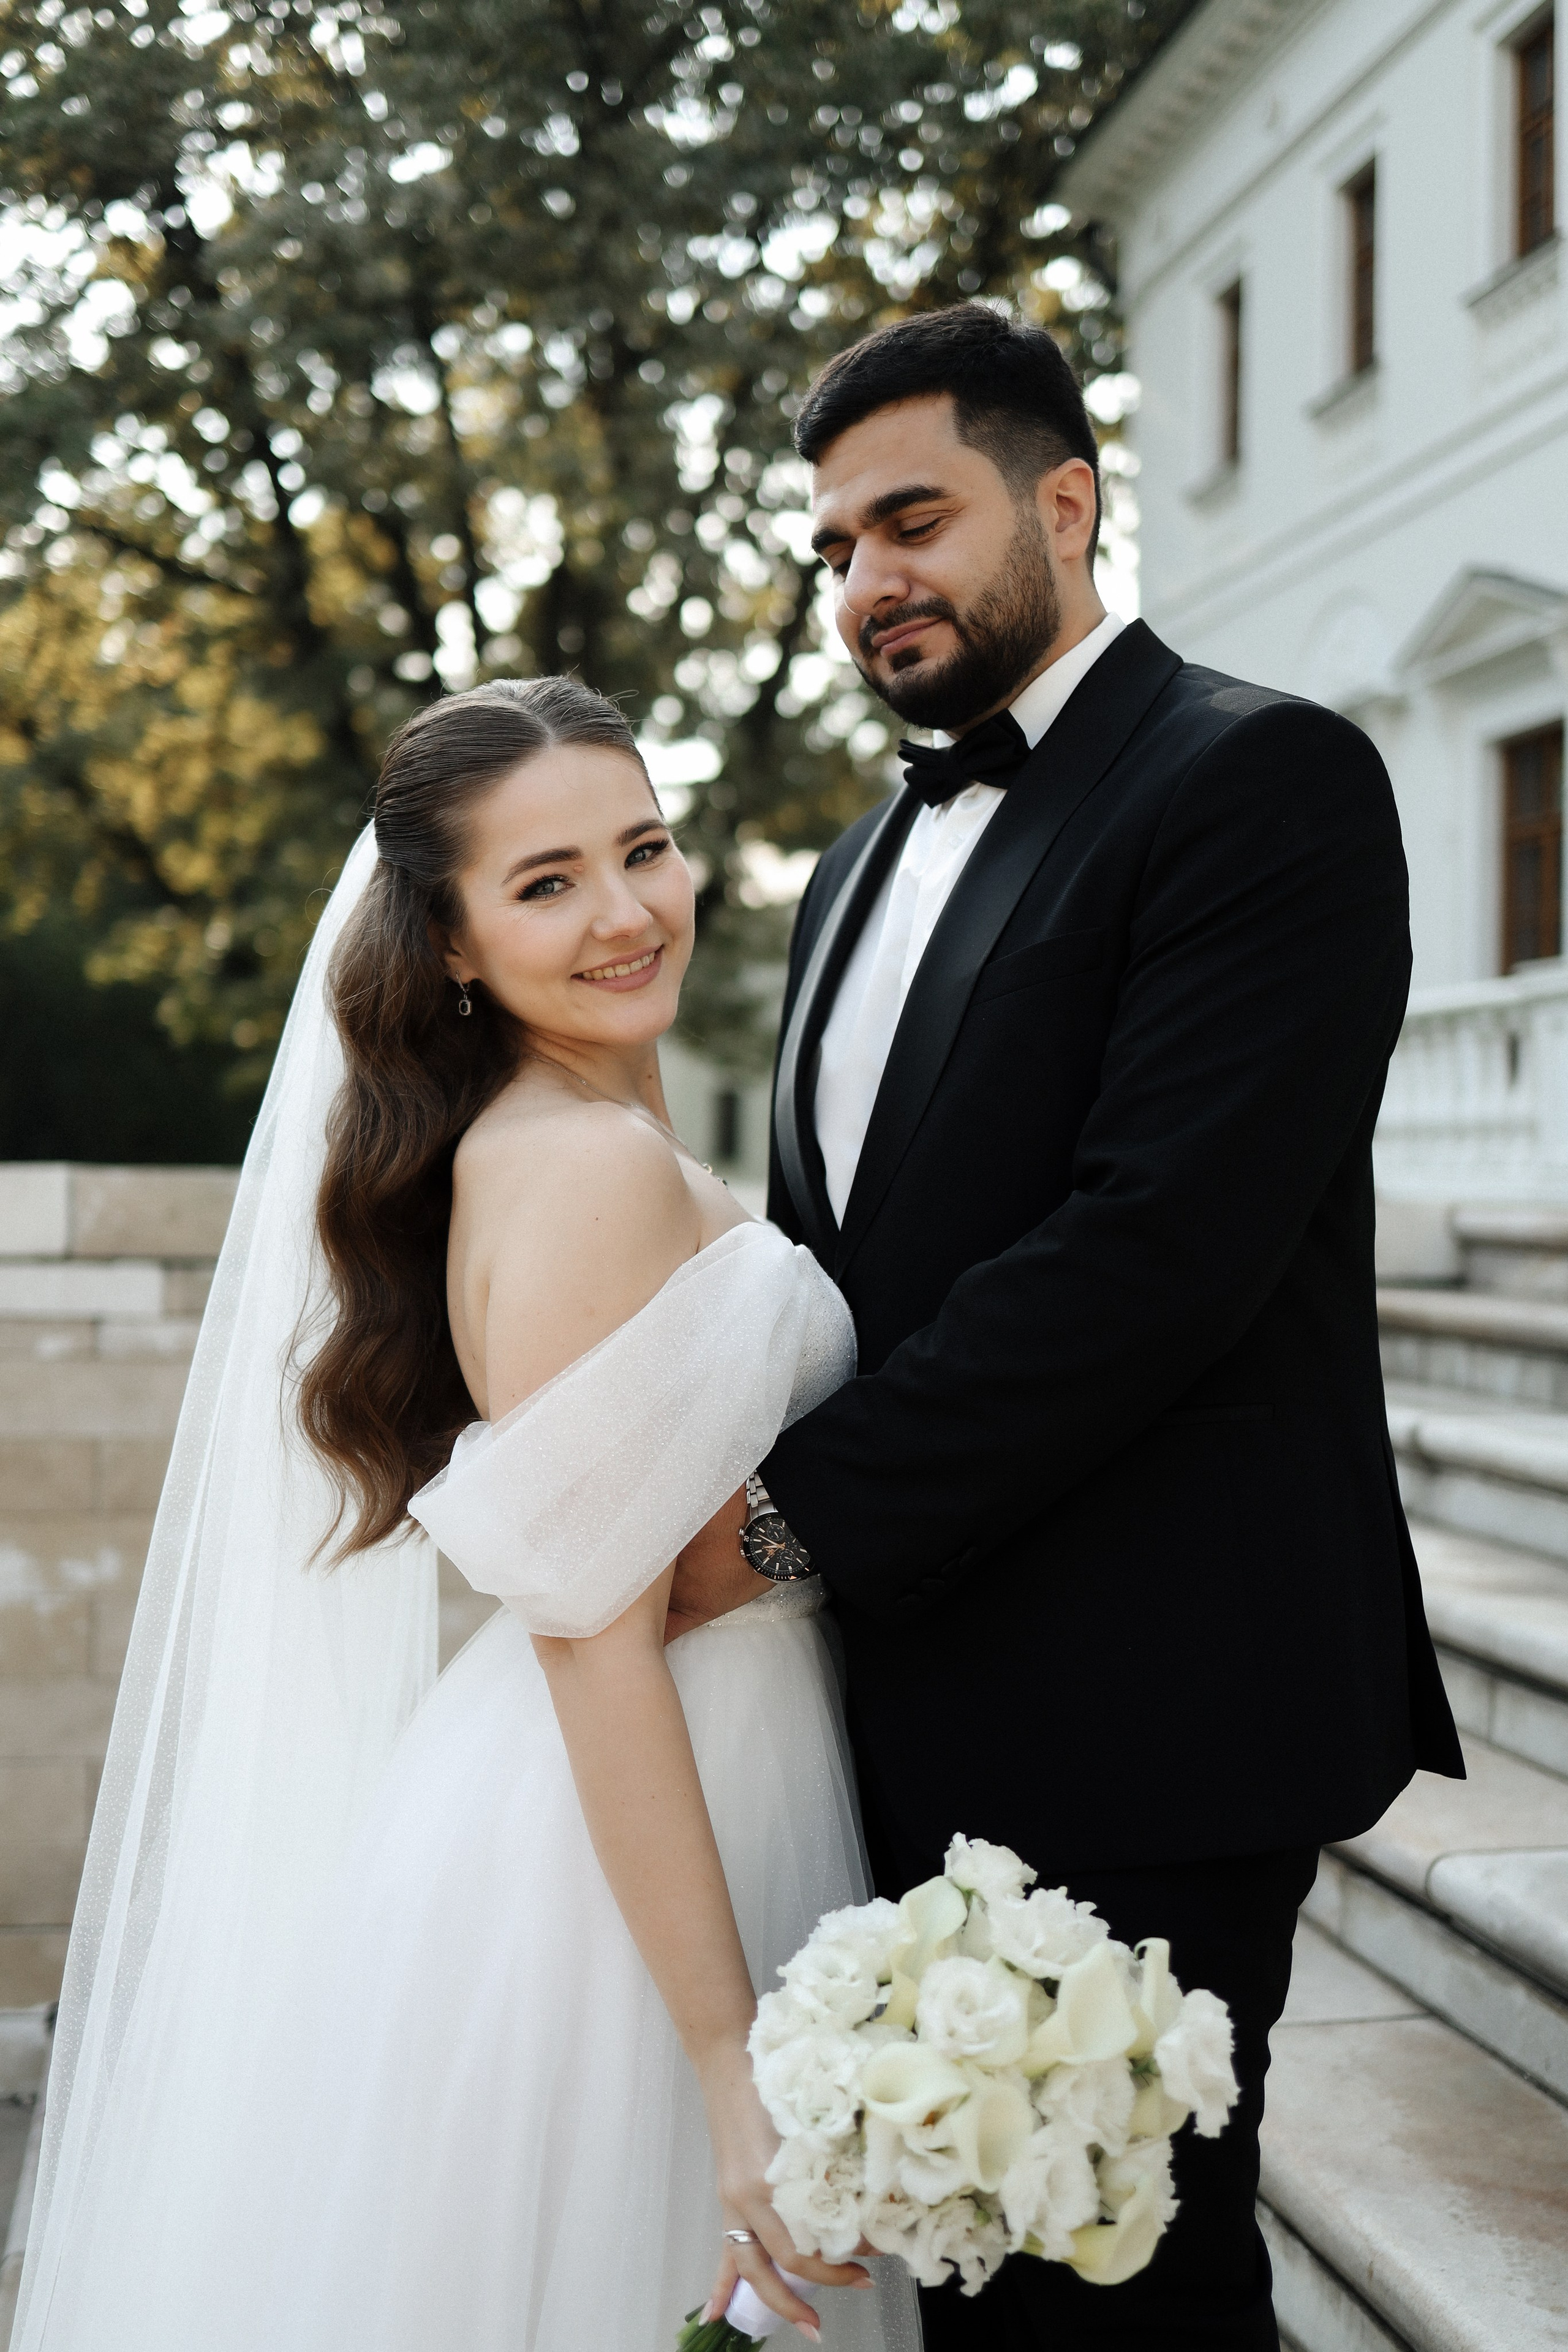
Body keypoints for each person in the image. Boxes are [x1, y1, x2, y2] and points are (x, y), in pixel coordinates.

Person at [668, 303, 1465, 2350]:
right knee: (972, 2295)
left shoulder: (1265, 779)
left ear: (1069, 502)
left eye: (913, 520)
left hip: (1152, 1697)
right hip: (887, 1701)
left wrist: (777, 1525)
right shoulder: (853, 864)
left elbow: (1158, 1250)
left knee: (1127, 2298)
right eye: (834, 547)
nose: (867, 581)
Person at [13, 679, 919, 2352]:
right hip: (644, 1822)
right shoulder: (582, 1165)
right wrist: (730, 2064)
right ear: (449, 942)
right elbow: (597, 1636)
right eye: (547, 882)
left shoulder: (567, 1131)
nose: (626, 913)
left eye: (643, 848)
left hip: (683, 1760)